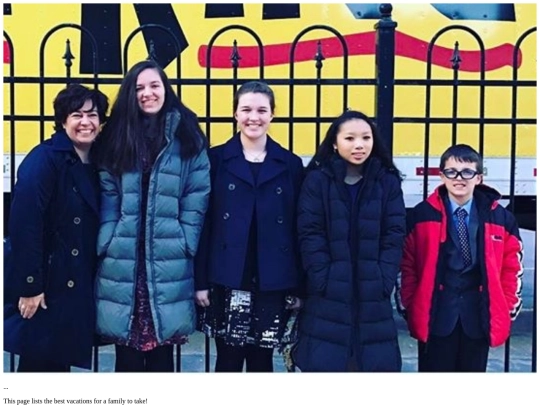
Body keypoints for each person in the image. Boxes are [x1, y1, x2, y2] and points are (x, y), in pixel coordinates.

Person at [94, 59, 210, 372]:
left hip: (167, 256)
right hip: (124, 257)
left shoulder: (187, 133)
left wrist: (185, 238)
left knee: (162, 357)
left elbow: (197, 193)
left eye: (154, 85)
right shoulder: (116, 135)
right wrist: (109, 236)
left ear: (165, 89)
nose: (148, 93)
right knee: (126, 357)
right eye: (139, 88)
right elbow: (107, 192)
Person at [195, 81, 305, 372]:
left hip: (273, 279)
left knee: (262, 361)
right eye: (246, 109)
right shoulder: (215, 159)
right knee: (228, 360)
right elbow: (204, 223)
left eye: (261, 110)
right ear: (235, 113)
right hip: (228, 276)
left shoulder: (290, 164)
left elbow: (298, 229)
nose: (253, 117)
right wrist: (200, 282)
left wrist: (298, 286)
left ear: (272, 114)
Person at [4, 84, 109, 372]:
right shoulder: (45, 158)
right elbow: (24, 225)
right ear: (63, 121)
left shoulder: (97, 160)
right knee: (39, 364)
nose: (86, 122)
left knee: (57, 364)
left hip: (74, 280)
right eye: (77, 115)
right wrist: (30, 286)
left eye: (92, 115)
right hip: (48, 282)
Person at [292, 110, 406, 372]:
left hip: (373, 293)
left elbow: (394, 233)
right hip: (327, 293)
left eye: (366, 138)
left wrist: (384, 277)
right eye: (350, 138)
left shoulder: (386, 181)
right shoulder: (317, 180)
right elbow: (310, 233)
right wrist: (322, 276)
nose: (359, 145)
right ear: (334, 142)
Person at [398, 144, 523, 372]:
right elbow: (407, 266)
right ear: (441, 176)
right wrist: (411, 304)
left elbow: (511, 268)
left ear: (479, 178)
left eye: (467, 172)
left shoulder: (501, 217)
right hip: (435, 316)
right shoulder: (421, 214)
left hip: (478, 318)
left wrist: (505, 307)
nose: (459, 178)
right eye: (451, 172)